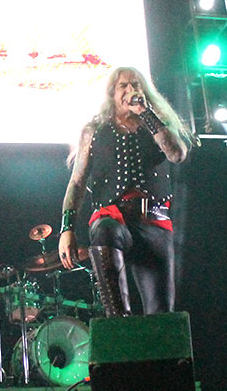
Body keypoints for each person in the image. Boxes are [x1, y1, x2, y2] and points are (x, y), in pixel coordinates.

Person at [58, 66, 191, 316]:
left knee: (161, 313)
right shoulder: (94, 131)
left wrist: (147, 115)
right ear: (112, 94)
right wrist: (67, 229)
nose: (131, 90)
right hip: (112, 218)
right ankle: (118, 319)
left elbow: (177, 154)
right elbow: (76, 182)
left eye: (136, 85)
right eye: (124, 86)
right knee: (105, 230)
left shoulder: (157, 124)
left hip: (154, 221)